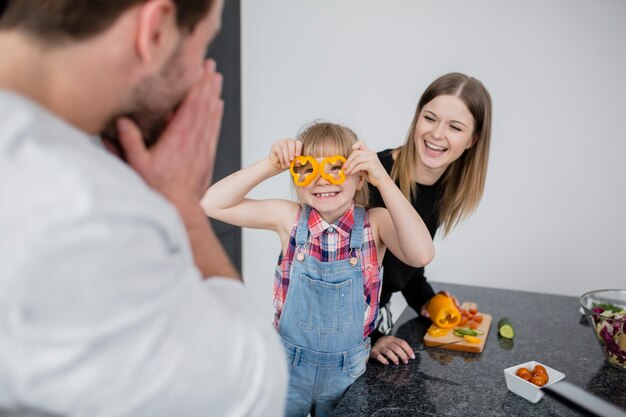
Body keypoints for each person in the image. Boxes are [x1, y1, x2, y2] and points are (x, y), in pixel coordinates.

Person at [0, 1, 287, 416]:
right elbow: (253, 390)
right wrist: (184, 211)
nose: (201, 76)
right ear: (155, 30)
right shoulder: (80, 207)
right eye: (203, 47)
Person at [201, 122, 435, 417]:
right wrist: (270, 165)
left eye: (335, 167)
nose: (321, 180)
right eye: (308, 169)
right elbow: (211, 204)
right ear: (296, 177)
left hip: (348, 372)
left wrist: (384, 180)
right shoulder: (287, 218)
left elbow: (421, 253)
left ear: (360, 178)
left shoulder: (375, 224)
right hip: (286, 367)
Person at [368, 72, 493, 366]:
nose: (437, 134)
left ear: (472, 139)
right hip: (338, 340)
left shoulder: (443, 189)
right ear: (417, 118)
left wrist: (429, 303)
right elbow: (325, 277)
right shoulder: (371, 178)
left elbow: (407, 269)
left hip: (370, 328)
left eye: (455, 126)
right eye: (430, 118)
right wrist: (371, 337)